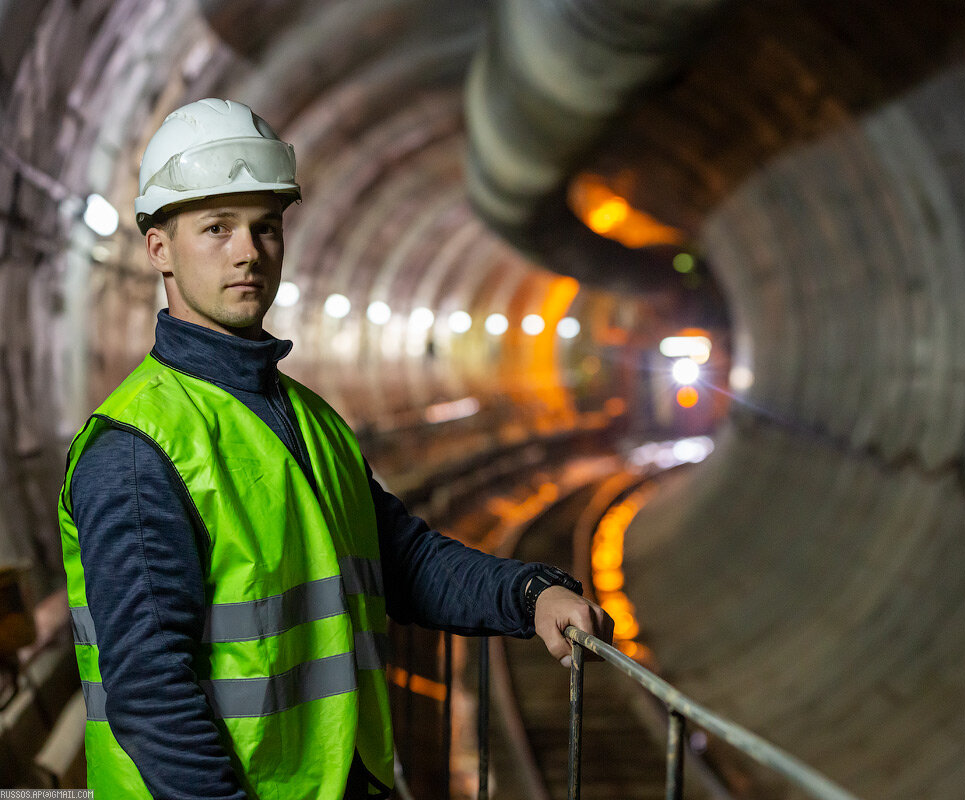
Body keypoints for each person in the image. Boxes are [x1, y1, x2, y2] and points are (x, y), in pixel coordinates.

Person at [58, 98, 614, 800]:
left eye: (265, 228)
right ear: (158, 248)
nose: (246, 252)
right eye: (216, 227)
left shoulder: (309, 419)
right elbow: (152, 696)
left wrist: (527, 594)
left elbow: (400, 559)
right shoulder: (139, 450)